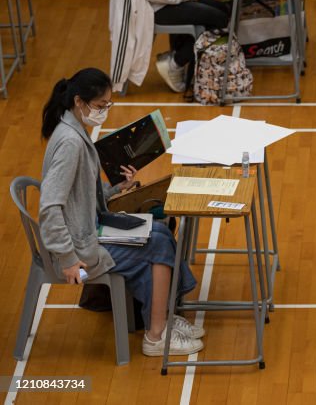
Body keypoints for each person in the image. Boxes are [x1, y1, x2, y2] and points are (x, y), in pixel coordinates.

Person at [38, 68, 205, 357]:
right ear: (79, 102)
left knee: (161, 231)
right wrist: (67, 258)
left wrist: (117, 188)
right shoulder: (70, 144)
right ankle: (156, 336)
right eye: (101, 106)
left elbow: (82, 195)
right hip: (78, 248)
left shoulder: (76, 131)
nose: (104, 111)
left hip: (89, 229)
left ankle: (161, 316)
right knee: (158, 245)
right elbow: (50, 206)